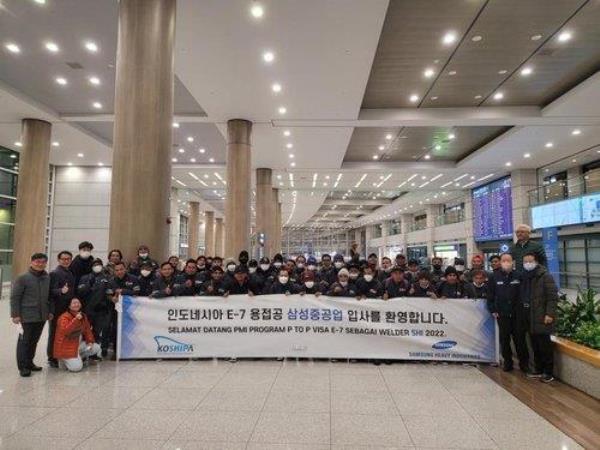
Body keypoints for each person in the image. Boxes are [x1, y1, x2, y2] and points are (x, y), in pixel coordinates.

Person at [11, 253, 52, 377]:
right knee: (24, 341)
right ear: (32, 262)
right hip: (26, 315)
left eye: (43, 262)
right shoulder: (22, 278)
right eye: (37, 262)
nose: (40, 264)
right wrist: (15, 314)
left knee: (34, 340)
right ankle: (23, 367)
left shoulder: (47, 277)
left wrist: (50, 311)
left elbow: (49, 297)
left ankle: (30, 363)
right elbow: (15, 297)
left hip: (41, 316)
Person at [520, 252, 558, 382]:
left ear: (536, 262)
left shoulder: (545, 276)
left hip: (542, 317)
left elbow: (552, 297)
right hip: (529, 317)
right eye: (525, 261)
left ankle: (548, 372)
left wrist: (549, 314)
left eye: (530, 261)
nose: (527, 264)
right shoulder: (525, 276)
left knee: (545, 346)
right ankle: (539, 369)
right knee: (534, 345)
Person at [487, 253, 529, 373]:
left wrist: (524, 309)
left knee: (520, 340)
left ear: (513, 262)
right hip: (502, 314)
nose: (506, 262)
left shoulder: (519, 275)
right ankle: (508, 363)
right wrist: (493, 309)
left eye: (508, 260)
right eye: (503, 260)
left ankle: (524, 364)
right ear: (500, 262)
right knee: (504, 340)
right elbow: (490, 295)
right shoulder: (494, 276)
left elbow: (525, 293)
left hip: (518, 315)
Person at [53, 297, 102, 372]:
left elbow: (87, 330)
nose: (76, 304)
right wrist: (75, 319)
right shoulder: (63, 317)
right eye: (74, 303)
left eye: (78, 303)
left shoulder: (83, 316)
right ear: (69, 306)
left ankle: (76, 358)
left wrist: (90, 341)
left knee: (96, 347)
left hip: (76, 345)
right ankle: (63, 359)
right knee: (77, 368)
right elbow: (66, 331)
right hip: (65, 347)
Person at [47, 251, 76, 368]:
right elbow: (50, 291)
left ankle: (60, 354)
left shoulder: (70, 272)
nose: (66, 261)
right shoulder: (55, 273)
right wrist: (60, 291)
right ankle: (52, 357)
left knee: (64, 332)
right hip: (57, 309)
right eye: (63, 259)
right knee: (54, 333)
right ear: (58, 260)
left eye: (68, 259)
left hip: (67, 308)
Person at [77, 258, 111, 355]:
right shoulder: (85, 278)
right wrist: (89, 284)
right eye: (95, 264)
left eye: (99, 264)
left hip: (100, 311)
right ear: (91, 266)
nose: (97, 266)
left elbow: (110, 292)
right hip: (87, 310)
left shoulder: (106, 278)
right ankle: (83, 353)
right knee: (85, 333)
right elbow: (80, 291)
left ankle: (93, 353)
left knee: (96, 333)